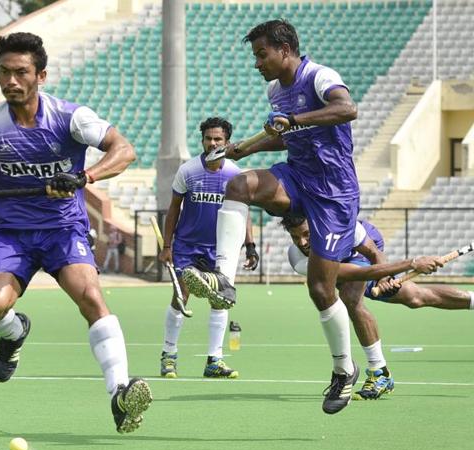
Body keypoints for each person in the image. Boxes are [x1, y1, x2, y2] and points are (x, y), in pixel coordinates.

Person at [0, 32, 151, 434]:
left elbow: (124, 150)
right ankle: (14, 334)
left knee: (91, 297)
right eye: (4, 73)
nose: (11, 81)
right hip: (11, 233)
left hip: (63, 229)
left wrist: (84, 176)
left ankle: (119, 393)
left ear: (41, 75)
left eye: (21, 73)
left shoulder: (71, 118)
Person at [182, 19, 363, 414]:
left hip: (334, 194)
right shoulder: (273, 90)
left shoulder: (319, 77)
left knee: (320, 290)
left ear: (284, 49)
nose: (257, 63)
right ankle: (223, 281)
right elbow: (286, 136)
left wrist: (295, 120)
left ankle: (343, 369)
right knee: (238, 186)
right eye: (255, 56)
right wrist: (247, 149)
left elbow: (347, 109)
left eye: (261, 54)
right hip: (297, 176)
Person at [281, 215, 460, 399]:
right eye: (295, 237)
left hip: (363, 248)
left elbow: (374, 254)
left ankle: (379, 372)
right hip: (342, 263)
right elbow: (356, 273)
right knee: (414, 298)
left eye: (307, 234)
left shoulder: (343, 226)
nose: (302, 242)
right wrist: (407, 266)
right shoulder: (298, 259)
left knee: (350, 299)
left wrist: (391, 273)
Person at [158, 117, 259, 379]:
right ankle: (169, 356)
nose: (212, 143)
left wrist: (250, 245)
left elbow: (243, 213)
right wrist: (167, 245)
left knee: (221, 301)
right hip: (188, 246)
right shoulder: (188, 171)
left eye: (218, 139)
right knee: (181, 296)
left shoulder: (235, 174)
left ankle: (214, 360)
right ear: (202, 140)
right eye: (208, 138)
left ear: (227, 142)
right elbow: (173, 209)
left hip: (221, 248)